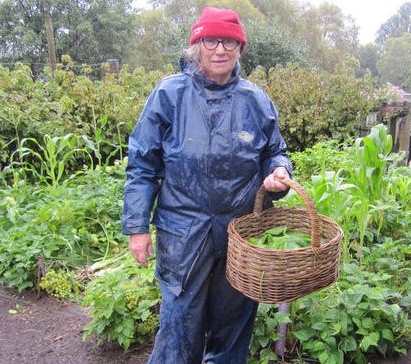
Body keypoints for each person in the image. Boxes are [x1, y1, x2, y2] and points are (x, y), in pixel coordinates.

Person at [122, 7, 293, 364]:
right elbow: (142, 164)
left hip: (239, 234)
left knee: (233, 329)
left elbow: (275, 151)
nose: (220, 49)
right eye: (211, 40)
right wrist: (137, 227)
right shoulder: (170, 95)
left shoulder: (255, 101)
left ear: (240, 49)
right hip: (183, 236)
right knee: (179, 327)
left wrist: (278, 172)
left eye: (229, 42)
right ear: (196, 46)